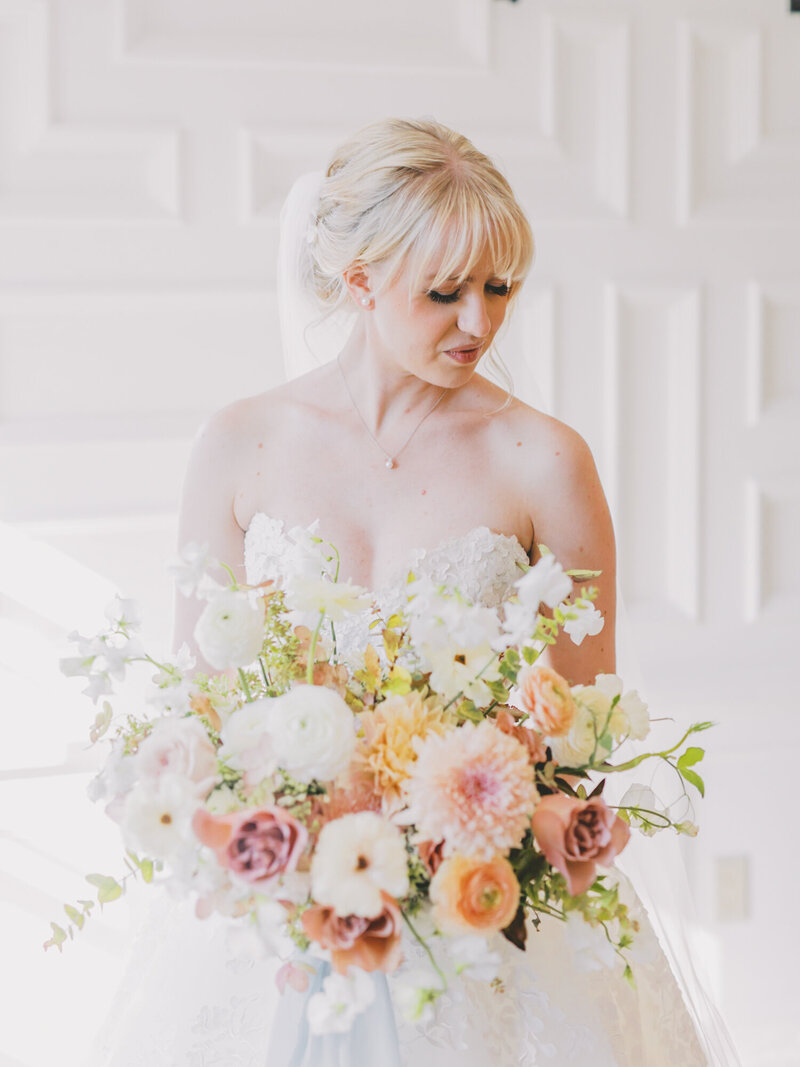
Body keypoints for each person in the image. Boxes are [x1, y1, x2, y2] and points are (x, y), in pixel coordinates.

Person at [91, 118, 729, 1065]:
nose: (481, 322)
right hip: (282, 899)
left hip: (486, 903)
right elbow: (207, 704)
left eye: (500, 287)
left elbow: (578, 722)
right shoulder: (239, 443)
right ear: (359, 282)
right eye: (445, 293)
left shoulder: (545, 462)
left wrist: (456, 824)